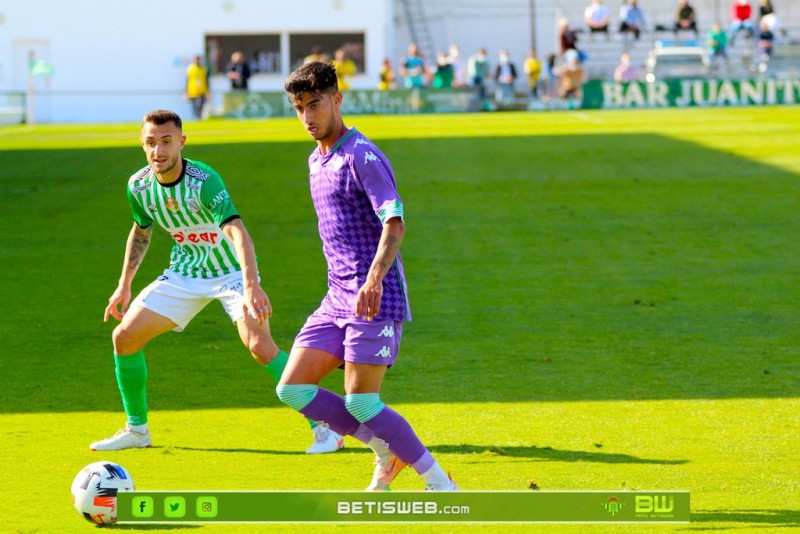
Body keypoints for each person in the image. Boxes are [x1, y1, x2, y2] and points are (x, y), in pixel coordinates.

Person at [89, 109, 344, 455]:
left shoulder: (204, 181)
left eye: (166, 142)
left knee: (259, 345)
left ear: (181, 141)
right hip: (186, 274)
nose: (158, 151)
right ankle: (137, 430)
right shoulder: (138, 186)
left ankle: (325, 426)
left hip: (232, 274)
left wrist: (251, 284)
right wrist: (124, 285)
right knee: (124, 337)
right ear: (142, 144)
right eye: (151, 143)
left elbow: (238, 232)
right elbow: (141, 230)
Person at [279, 62, 458, 492]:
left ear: (337, 100)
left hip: (373, 297)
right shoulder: (315, 160)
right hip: (336, 297)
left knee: (362, 402)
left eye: (315, 104)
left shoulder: (362, 156)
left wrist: (374, 278)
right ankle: (385, 451)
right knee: (293, 389)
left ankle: (438, 480)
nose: (308, 116)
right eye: (300, 108)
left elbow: (394, 221)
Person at [184, 55, 209, 120]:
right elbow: (187, 80)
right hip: (192, 91)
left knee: (199, 105)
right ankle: (198, 118)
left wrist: (207, 91)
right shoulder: (190, 69)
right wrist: (186, 92)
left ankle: (199, 117)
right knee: (195, 107)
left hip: (201, 91)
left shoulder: (203, 69)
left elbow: (206, 80)